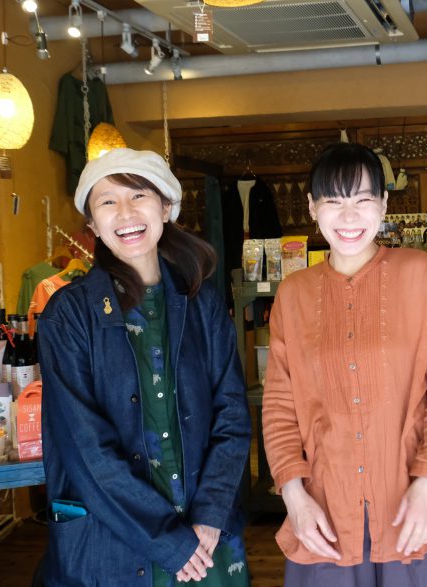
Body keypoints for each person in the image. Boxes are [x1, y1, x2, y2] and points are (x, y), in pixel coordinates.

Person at [37, 148, 251, 586]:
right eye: (107, 201)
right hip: (113, 542)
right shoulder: (69, 314)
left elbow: (232, 413)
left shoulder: (202, 301)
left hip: (205, 538)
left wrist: (210, 515)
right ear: (93, 224)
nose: (126, 212)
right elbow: (84, 447)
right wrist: (168, 541)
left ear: (166, 207)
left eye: (138, 195)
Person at [262, 142, 427, 586]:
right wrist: (293, 495)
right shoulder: (292, 295)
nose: (349, 216)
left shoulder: (419, 273)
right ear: (313, 208)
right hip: (324, 513)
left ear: (384, 203)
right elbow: (279, 406)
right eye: (334, 202)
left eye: (362, 200)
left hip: (414, 505)